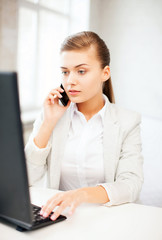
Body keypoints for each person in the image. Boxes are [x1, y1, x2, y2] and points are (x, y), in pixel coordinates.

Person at [25, 31, 143, 221]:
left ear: (105, 73)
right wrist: (48, 123)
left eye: (81, 71)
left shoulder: (128, 121)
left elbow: (131, 185)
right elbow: (26, 179)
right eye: (65, 72)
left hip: (108, 217)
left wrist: (79, 195)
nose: (70, 80)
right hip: (60, 218)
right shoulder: (51, 114)